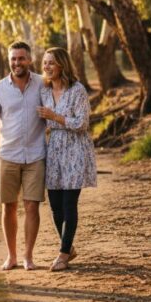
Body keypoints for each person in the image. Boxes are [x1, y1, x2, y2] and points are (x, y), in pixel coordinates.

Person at [0, 41, 47, 271]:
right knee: (8, 207)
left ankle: (28, 257)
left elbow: (53, 113)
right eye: (13, 59)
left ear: (29, 60)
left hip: (36, 155)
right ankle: (12, 257)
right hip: (8, 156)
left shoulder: (42, 84)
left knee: (32, 206)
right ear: (9, 60)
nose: (17, 63)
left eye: (21, 58)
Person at [36, 47, 97, 272]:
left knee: (69, 203)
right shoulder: (43, 91)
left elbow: (82, 123)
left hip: (74, 148)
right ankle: (68, 246)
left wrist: (55, 117)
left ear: (62, 64)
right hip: (53, 150)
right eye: (44, 63)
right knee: (54, 205)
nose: (47, 67)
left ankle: (62, 254)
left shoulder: (77, 89)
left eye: (51, 62)